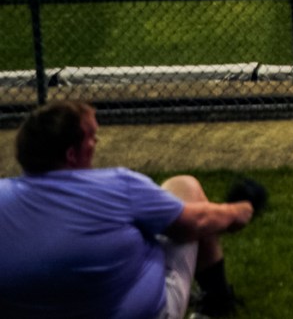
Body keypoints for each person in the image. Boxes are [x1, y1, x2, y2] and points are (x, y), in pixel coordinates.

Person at [0, 100, 265, 318]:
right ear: (71, 154)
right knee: (185, 188)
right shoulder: (118, 185)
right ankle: (216, 306)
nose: (97, 143)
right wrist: (238, 211)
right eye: (91, 137)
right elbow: (196, 223)